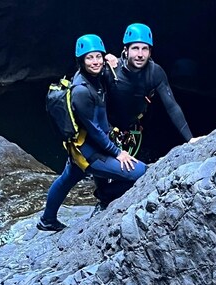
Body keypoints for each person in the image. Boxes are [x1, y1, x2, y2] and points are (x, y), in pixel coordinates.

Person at [37, 34, 147, 232]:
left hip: (83, 146)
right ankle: (105, 195)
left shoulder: (96, 76)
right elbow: (94, 130)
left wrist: (114, 59)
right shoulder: (81, 91)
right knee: (141, 173)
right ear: (81, 61)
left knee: (67, 179)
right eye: (89, 58)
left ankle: (47, 220)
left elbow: (117, 72)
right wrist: (118, 153)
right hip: (90, 151)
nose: (95, 62)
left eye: (98, 56)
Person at [103, 23, 196, 156]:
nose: (140, 54)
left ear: (150, 52)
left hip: (132, 131)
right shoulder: (110, 69)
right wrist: (102, 58)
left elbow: (172, 106)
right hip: (105, 129)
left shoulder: (155, 72)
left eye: (145, 49)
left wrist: (190, 139)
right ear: (126, 50)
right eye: (135, 48)